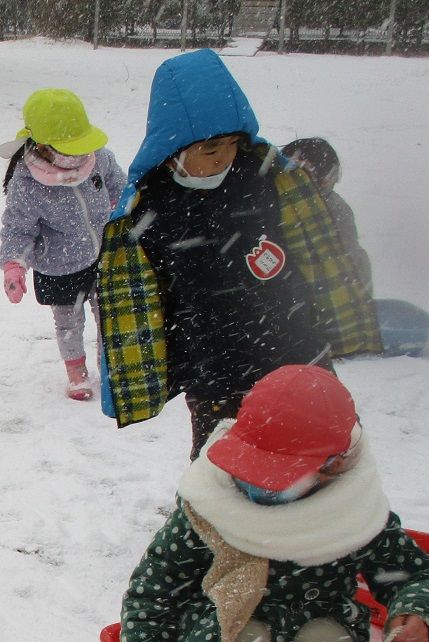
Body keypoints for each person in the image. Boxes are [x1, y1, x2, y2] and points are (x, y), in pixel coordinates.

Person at [121, 366, 429, 642]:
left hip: (313, 626)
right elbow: (151, 596)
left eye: (273, 476)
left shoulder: (355, 513)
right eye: (248, 470)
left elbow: (417, 574)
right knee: (243, 641)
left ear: (333, 466)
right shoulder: (210, 508)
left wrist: (417, 611)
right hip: (218, 634)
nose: (254, 485)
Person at [96, 50, 380, 455]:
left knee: (327, 452)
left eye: (232, 143)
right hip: (215, 370)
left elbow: (318, 256)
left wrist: (334, 320)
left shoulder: (268, 179)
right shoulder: (148, 209)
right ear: (174, 144)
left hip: (297, 350)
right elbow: (140, 301)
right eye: (211, 147)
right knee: (226, 465)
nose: (224, 156)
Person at [0, 89, 126, 401]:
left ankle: (109, 369)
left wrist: (123, 213)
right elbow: (18, 227)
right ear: (43, 146)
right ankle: (76, 373)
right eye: (71, 150)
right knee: (69, 322)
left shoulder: (99, 159)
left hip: (104, 256)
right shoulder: (27, 182)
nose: (80, 157)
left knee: (110, 316)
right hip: (59, 265)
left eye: (82, 148)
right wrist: (14, 265)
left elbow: (120, 188)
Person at [282, 137, 374, 295]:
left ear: (324, 181)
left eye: (300, 174)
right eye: (286, 169)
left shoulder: (335, 211)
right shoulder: (269, 200)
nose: (287, 181)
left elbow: (352, 270)